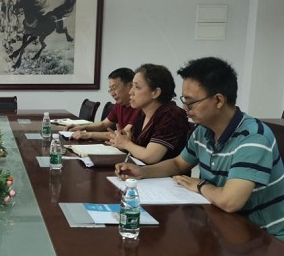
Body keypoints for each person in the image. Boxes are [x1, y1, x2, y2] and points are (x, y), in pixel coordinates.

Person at [116, 57, 284, 240]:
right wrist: (143, 172)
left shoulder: (253, 138)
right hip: (224, 226)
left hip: (265, 239)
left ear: (218, 100)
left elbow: (230, 202)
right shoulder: (203, 130)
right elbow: (178, 163)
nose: (184, 108)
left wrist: (200, 185)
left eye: (190, 102)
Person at [108, 63, 191, 164]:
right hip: (139, 171)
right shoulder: (142, 113)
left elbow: (151, 156)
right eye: (132, 86)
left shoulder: (171, 115)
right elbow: (134, 146)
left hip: (162, 174)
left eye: (137, 87)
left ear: (155, 92)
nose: (130, 92)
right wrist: (122, 141)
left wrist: (126, 143)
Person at [69, 68, 140, 141]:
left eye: (114, 88)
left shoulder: (139, 107)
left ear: (130, 86)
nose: (112, 94)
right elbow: (103, 124)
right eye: (110, 89)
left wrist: (88, 134)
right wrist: (82, 127)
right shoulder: (119, 104)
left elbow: (123, 135)